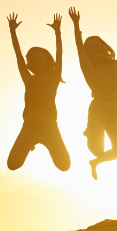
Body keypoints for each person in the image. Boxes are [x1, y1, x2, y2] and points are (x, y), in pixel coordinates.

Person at [68, 7, 117, 179]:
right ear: (87, 50)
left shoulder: (112, 63)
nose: (94, 48)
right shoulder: (87, 65)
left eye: (97, 45)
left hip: (114, 108)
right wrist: (76, 24)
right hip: (97, 107)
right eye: (90, 46)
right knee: (96, 149)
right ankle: (90, 131)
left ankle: (95, 162)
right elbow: (78, 47)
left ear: (102, 47)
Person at [6, 13, 70, 171]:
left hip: (50, 126)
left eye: (43, 58)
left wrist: (58, 32)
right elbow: (18, 56)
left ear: (48, 61)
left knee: (64, 166)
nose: (40, 61)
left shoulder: (53, 80)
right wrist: (12, 31)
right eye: (37, 58)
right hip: (29, 126)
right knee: (12, 165)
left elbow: (59, 55)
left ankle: (35, 143)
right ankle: (31, 143)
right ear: (32, 62)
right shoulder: (28, 79)